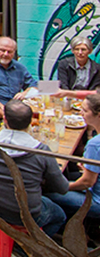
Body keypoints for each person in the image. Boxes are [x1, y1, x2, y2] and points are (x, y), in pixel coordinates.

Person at [0, 100, 69, 239]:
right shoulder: (42, 151)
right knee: (59, 215)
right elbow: (62, 188)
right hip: (23, 215)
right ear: (30, 122)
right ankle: (26, 248)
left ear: (4, 120)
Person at [46, 93, 100, 223]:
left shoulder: (95, 144)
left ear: (98, 115)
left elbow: (87, 182)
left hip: (96, 200)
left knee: (46, 193)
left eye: (85, 111)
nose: (81, 113)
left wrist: (63, 187)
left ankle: (63, 228)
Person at [0, 36, 36, 105]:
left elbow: (35, 85)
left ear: (14, 52)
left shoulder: (19, 68)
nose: (5, 54)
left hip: (15, 107)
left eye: (9, 52)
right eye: (2, 50)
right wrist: (3, 110)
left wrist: (25, 93)